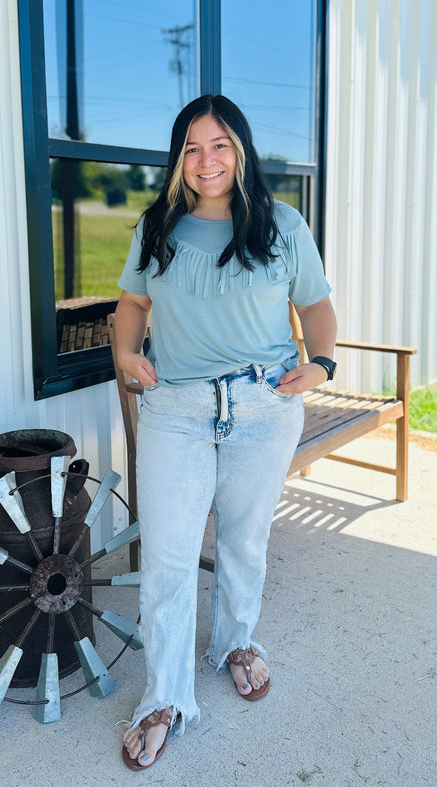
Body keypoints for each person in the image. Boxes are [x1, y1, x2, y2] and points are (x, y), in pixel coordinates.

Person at [115, 95, 336, 771]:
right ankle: (164, 697)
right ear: (177, 158)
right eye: (190, 147)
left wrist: (321, 364)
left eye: (218, 145)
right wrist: (125, 354)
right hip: (175, 411)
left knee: (243, 542)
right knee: (169, 560)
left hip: (263, 406)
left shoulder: (281, 225)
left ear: (239, 150)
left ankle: (236, 643)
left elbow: (316, 306)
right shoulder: (157, 226)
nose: (205, 160)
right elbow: (132, 303)